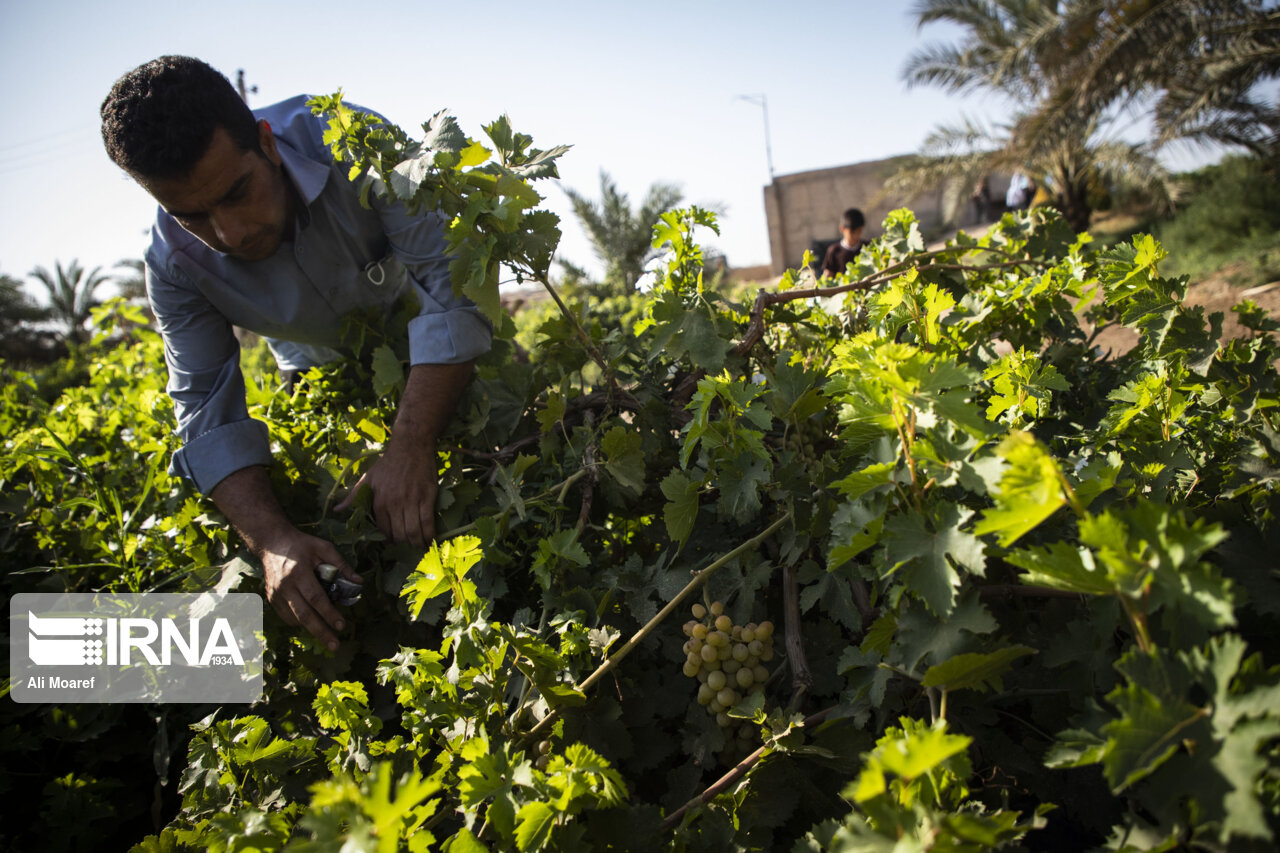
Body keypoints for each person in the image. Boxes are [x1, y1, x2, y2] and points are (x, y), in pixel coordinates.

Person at [100, 56, 491, 651]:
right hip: (310, 365)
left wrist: (410, 441)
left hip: (423, 333)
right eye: (193, 216)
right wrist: (271, 540)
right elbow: (207, 412)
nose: (230, 233)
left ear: (266, 144)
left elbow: (452, 292)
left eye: (236, 193)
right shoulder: (173, 267)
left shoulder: (353, 142)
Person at [821, 207, 869, 278]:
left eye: (859, 232)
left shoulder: (867, 247)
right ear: (842, 229)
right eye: (852, 233)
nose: (856, 236)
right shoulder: (834, 251)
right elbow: (828, 275)